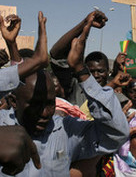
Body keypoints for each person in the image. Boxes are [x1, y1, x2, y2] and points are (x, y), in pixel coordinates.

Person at [0, 11, 129, 176]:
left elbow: (116, 135)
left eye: (50, 103)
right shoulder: (2, 125)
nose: (46, 113)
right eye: (35, 104)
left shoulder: (66, 131)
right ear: (13, 101)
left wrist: (81, 70)